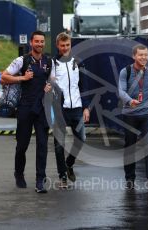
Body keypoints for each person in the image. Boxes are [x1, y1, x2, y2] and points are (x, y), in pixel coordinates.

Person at [1, 30, 53, 193]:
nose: (40, 44)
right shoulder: (21, 60)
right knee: (22, 145)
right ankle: (19, 173)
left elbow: (52, 81)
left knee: (43, 145)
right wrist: (21, 78)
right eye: (37, 41)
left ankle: (40, 181)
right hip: (25, 107)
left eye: (42, 41)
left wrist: (50, 87)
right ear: (31, 42)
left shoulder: (48, 61)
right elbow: (3, 77)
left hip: (42, 107)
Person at [118, 44, 148, 190]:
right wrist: (129, 101)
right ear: (134, 56)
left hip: (147, 114)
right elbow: (121, 91)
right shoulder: (126, 71)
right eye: (140, 55)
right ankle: (130, 178)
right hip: (130, 115)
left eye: (146, 55)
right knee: (130, 146)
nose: (143, 58)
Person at [51, 32, 90, 187]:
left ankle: (69, 163)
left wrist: (86, 107)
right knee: (59, 144)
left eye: (67, 45)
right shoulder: (52, 63)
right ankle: (62, 177)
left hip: (77, 107)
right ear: (57, 46)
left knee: (81, 139)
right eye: (62, 45)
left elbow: (84, 86)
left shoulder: (78, 62)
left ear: (70, 45)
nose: (65, 48)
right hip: (60, 109)